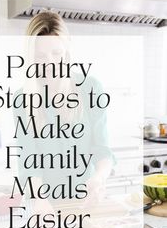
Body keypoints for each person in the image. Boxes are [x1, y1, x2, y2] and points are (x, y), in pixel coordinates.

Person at [14, 11, 114, 213]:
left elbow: (103, 151)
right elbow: (29, 162)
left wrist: (98, 178)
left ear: (67, 49)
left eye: (56, 54)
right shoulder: (22, 99)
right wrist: (39, 200)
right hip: (45, 205)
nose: (49, 63)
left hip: (85, 202)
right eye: (40, 56)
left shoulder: (90, 88)